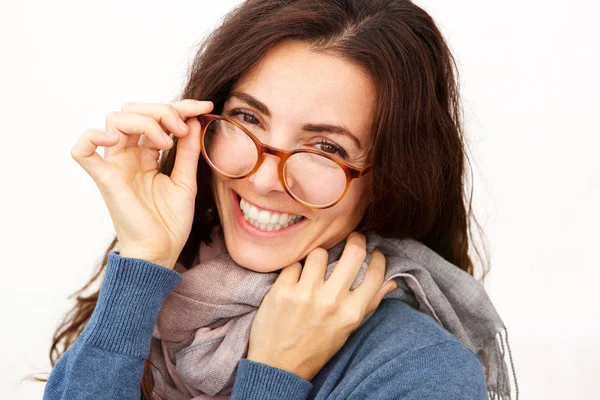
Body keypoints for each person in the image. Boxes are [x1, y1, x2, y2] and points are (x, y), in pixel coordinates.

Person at [40, 0, 517, 399]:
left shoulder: (421, 371)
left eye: (325, 148)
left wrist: (274, 378)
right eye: (247, 118)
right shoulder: (163, 290)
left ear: (389, 176)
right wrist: (142, 262)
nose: (265, 177)